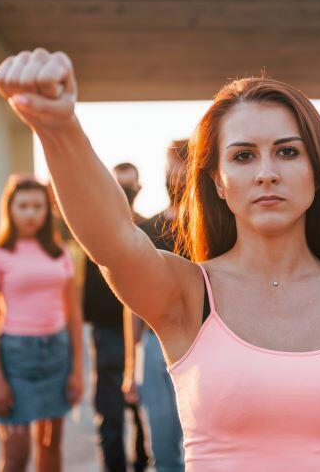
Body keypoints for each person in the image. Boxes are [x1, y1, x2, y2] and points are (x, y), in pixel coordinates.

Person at [0, 47, 320, 471]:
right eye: (243, 156)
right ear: (218, 181)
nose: (266, 172)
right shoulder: (188, 293)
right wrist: (59, 127)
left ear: (317, 170)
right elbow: (115, 240)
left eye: (287, 152)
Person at [0, 175, 83, 472]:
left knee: (51, 447)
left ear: (48, 210)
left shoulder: (60, 254)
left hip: (57, 355)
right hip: (16, 358)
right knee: (15, 456)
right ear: (9, 209)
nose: (31, 213)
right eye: (22, 206)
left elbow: (73, 314)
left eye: (38, 206)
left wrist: (77, 371)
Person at [122, 140, 190, 472]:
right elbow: (132, 302)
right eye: (171, 167)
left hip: (202, 341)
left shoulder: (219, 230)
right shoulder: (146, 230)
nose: (176, 175)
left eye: (184, 166)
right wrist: (130, 366)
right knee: (163, 447)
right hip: (154, 345)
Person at [82, 162, 152, 472]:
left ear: (139, 189)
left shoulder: (151, 230)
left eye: (129, 187)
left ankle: (139, 465)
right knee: (110, 413)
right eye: (119, 187)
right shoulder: (92, 230)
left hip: (145, 332)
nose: (126, 194)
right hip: (107, 332)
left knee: (143, 413)